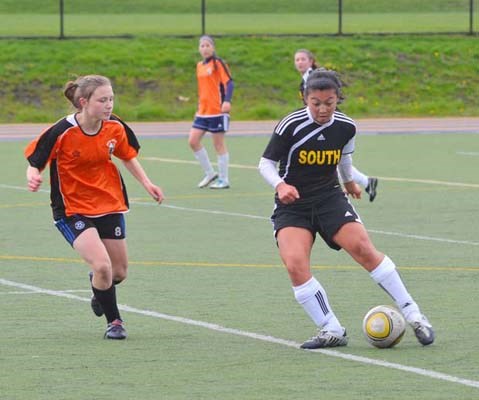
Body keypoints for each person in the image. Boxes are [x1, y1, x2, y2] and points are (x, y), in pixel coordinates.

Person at [258, 69, 434, 349]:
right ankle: (331, 328)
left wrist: (349, 182)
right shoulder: (290, 125)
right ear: (305, 98)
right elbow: (265, 163)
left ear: (338, 99)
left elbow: (344, 158)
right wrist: (280, 185)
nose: (322, 108)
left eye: (329, 102)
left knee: (364, 249)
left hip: (330, 198)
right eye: (315, 102)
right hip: (293, 205)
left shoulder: (346, 126)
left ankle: (415, 315)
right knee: (294, 264)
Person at [24, 75, 164, 340]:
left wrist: (148, 183)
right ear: (83, 102)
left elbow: (128, 156)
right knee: (103, 266)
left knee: (119, 271)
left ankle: (99, 288)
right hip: (72, 209)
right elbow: (36, 158)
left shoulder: (115, 127)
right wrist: (33, 174)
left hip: (109, 204)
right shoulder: (62, 131)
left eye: (111, 98)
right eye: (102, 100)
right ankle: (115, 322)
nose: (109, 105)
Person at [294, 49, 378, 202]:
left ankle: (355, 184)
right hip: (317, 122)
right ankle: (366, 182)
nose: (299, 62)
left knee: (333, 159)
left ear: (311, 61)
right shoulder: (306, 79)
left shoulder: (315, 78)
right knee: (332, 159)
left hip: (326, 124)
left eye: (303, 59)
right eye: (297, 60)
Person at [188, 35, 234, 189]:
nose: (205, 48)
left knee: (218, 144)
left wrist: (227, 101)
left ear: (213, 48)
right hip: (203, 111)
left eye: (208, 45)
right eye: (202, 46)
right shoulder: (199, 65)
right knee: (193, 141)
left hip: (217, 111)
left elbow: (229, 83)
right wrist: (199, 107)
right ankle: (209, 173)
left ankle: (224, 179)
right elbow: (203, 89)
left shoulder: (218, 63)